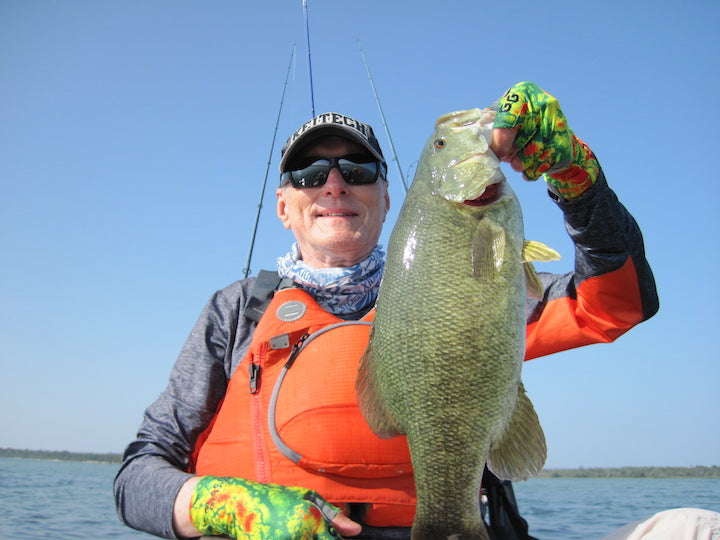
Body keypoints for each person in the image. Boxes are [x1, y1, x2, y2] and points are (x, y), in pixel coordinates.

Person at [114, 82, 659, 539]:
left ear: (386, 196)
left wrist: (577, 180)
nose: (333, 183)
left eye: (356, 168)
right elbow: (136, 476)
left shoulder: (481, 288)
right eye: (307, 173)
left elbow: (617, 302)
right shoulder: (237, 313)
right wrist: (219, 505)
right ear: (283, 206)